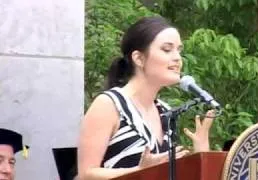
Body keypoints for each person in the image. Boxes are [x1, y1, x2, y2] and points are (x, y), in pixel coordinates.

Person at [78, 16, 215, 180]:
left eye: (179, 50)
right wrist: (139, 171)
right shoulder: (109, 105)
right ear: (139, 58)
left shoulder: (164, 111)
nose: (177, 58)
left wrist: (201, 152)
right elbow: (86, 175)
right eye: (167, 49)